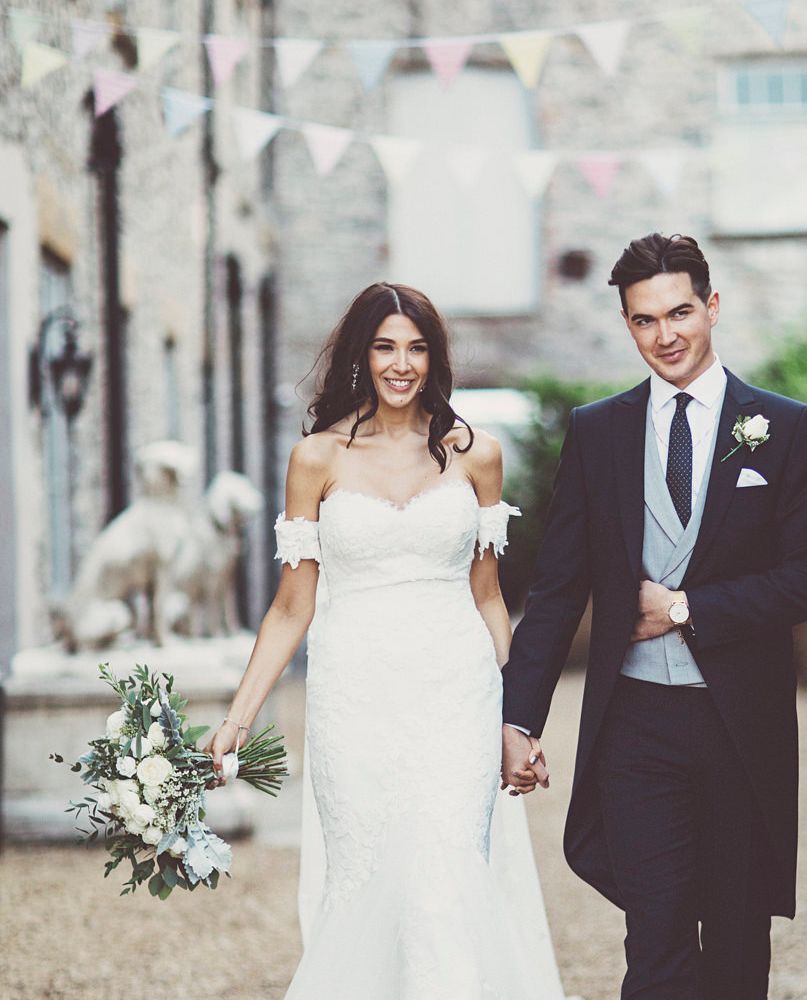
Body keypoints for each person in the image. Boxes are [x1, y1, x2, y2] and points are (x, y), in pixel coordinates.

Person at [205, 282, 568, 999]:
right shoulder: (316, 458)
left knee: (445, 878)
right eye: (385, 347)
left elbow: (489, 595)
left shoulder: (477, 455)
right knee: (366, 883)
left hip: (455, 692)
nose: (401, 364)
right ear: (360, 356)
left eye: (416, 347)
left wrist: (517, 720)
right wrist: (237, 719)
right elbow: (289, 608)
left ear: (434, 358)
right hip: (355, 697)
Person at [501, 234, 807, 999]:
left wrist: (687, 607)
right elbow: (557, 587)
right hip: (635, 725)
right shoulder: (598, 432)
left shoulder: (783, 427)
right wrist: (518, 718)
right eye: (645, 320)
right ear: (628, 325)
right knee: (654, 944)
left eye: (680, 312)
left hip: (738, 723)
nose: (667, 335)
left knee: (735, 950)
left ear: (711, 307)